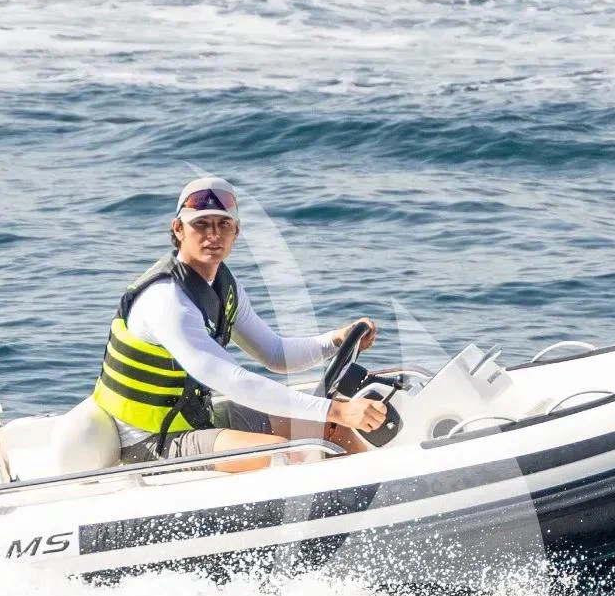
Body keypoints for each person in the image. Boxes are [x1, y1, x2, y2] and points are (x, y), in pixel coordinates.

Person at [59, 178, 387, 469]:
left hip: (196, 419)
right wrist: (337, 409)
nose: (213, 235)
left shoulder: (223, 287)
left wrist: (335, 340)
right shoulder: (166, 300)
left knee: (330, 430)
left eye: (223, 225)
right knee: (284, 453)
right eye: (201, 224)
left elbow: (275, 354)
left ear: (236, 233)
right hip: (152, 442)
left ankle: (377, 500)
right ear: (178, 230)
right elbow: (234, 381)